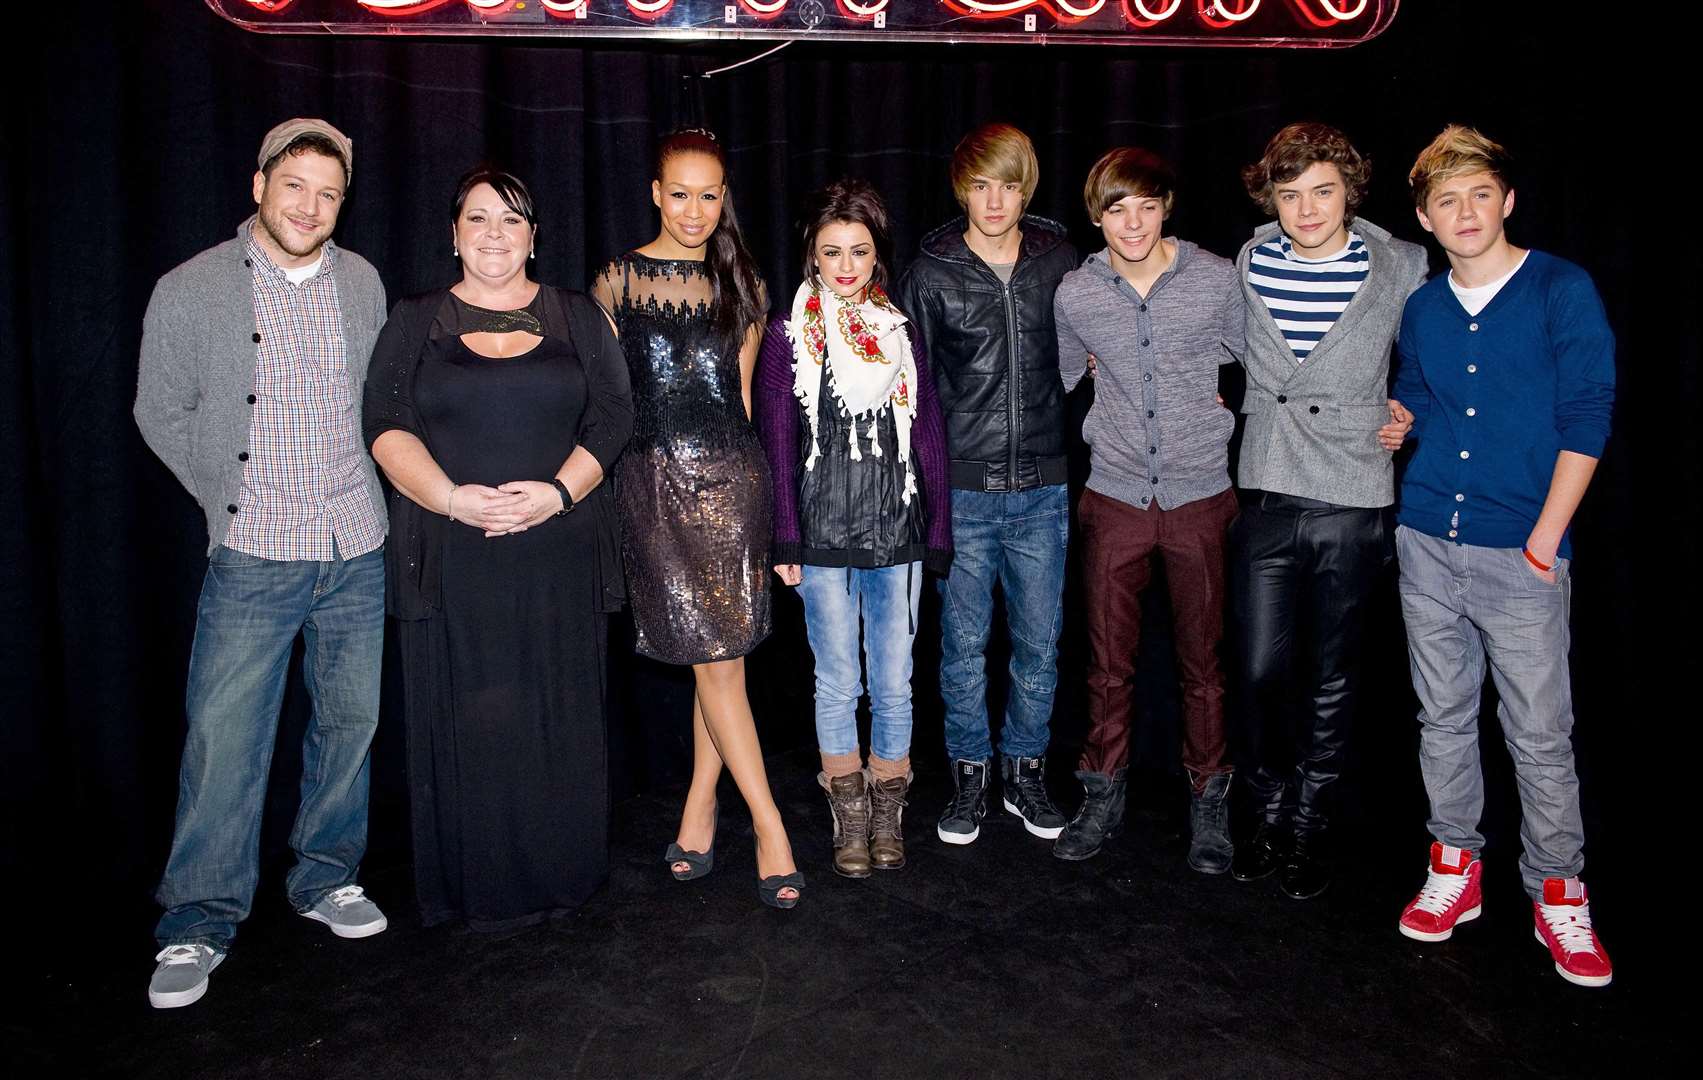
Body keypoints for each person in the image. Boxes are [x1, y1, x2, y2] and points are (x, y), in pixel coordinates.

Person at [135, 119, 389, 1008]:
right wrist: (226, 498)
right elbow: (159, 410)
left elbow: (380, 402)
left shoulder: (361, 283)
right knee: (224, 741)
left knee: (349, 726)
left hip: (354, 543)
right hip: (253, 550)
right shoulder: (191, 286)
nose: (309, 205)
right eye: (294, 187)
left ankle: (325, 878)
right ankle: (197, 923)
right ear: (258, 187)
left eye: (327, 192)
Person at [363, 168, 633, 931]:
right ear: (452, 234)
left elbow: (614, 416)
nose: (493, 234)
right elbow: (382, 422)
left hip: (558, 555)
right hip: (453, 556)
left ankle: (563, 873)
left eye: (510, 220)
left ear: (534, 236)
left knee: (558, 715)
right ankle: (472, 887)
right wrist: (449, 497)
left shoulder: (578, 316)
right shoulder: (414, 318)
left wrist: (556, 493)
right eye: (477, 219)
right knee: (468, 720)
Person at [1390, 126, 1615, 987]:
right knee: (1441, 718)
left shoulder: (1560, 288)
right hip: (1426, 542)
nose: (1465, 212)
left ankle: (1558, 889)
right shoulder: (1423, 306)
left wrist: (1545, 540)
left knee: (1536, 733)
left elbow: (1587, 413)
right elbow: (1416, 391)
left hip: (1520, 551)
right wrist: (1399, 419)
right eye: (1446, 201)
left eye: (1478, 194)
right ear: (1424, 218)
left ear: (1506, 200)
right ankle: (1455, 866)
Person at [592, 129, 803, 909]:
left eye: (709, 194)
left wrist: (776, 512)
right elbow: (612, 405)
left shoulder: (742, 278)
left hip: (731, 488)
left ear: (726, 197)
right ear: (654, 191)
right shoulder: (614, 281)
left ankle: (741, 819)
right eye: (678, 192)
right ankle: (731, 813)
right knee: (712, 660)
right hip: (650, 488)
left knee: (720, 663)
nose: (693, 209)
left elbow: (746, 405)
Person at [1228, 122, 1427, 900]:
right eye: (1289, 194)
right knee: (1257, 669)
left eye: (1321, 191)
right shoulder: (1248, 261)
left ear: (1349, 189)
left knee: (1332, 674)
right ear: (1268, 197)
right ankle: (1264, 808)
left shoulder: (1401, 263)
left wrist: (1411, 409)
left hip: (1353, 488)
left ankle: (1305, 827)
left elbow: (1431, 357)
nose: (1306, 209)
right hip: (1269, 488)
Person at [1052, 148, 1243, 872]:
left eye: (1144, 206)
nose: (1131, 223)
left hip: (1199, 495)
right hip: (1115, 498)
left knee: (1203, 666)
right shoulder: (1075, 294)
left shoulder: (1218, 279)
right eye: (1114, 209)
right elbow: (1065, 377)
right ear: (1096, 216)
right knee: (1107, 665)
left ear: (1165, 206)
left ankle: (1209, 805)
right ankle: (1100, 795)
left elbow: (1268, 367)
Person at [755, 179, 952, 878]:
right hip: (819, 536)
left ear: (876, 258)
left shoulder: (898, 332)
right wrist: (783, 537)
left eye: (858, 252)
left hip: (896, 531)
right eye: (831, 251)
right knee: (837, 682)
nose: (844, 265)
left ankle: (888, 809)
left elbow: (928, 429)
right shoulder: (787, 337)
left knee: (894, 683)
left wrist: (939, 533)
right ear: (811, 257)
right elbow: (775, 443)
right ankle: (850, 816)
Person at [893, 123, 1077, 847]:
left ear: (1025, 186)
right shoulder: (930, 270)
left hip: (1044, 487)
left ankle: (1024, 771)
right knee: (962, 646)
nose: (993, 199)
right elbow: (912, 393)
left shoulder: (1061, 261)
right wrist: (925, 488)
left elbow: (1108, 349)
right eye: (979, 184)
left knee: (1039, 645)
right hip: (962, 492)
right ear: (959, 188)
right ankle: (969, 775)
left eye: (1007, 183)